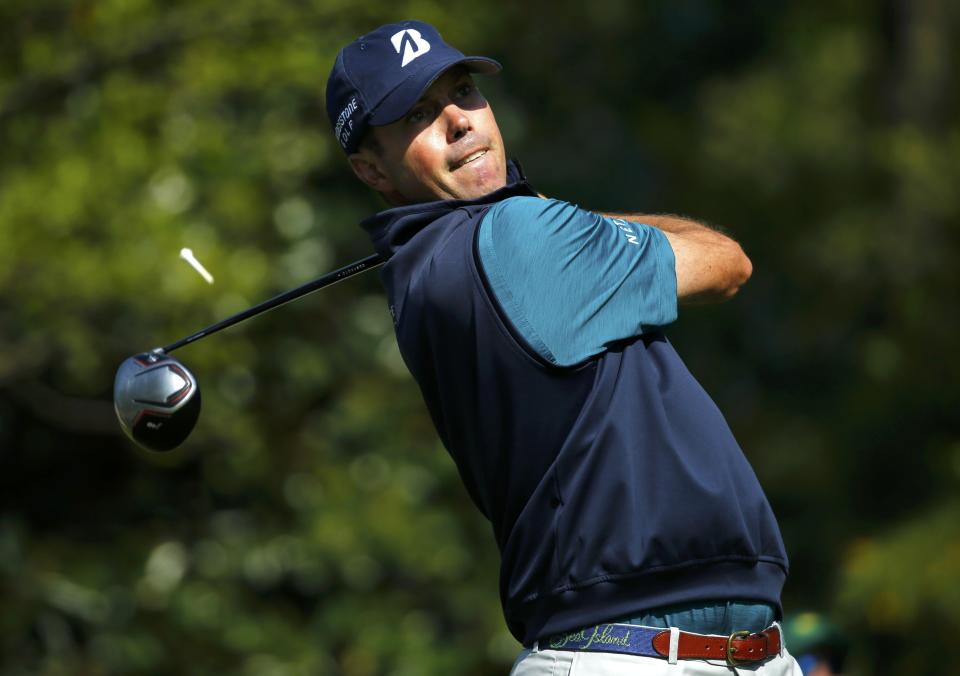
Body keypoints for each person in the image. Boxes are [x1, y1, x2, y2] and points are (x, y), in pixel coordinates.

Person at [326, 20, 802, 675]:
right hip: (629, 654)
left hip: (723, 652)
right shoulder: (516, 237)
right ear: (371, 167)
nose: (459, 121)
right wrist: (562, 217)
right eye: (418, 114)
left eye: (463, 92)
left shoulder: (435, 266)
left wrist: (564, 225)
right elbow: (727, 264)